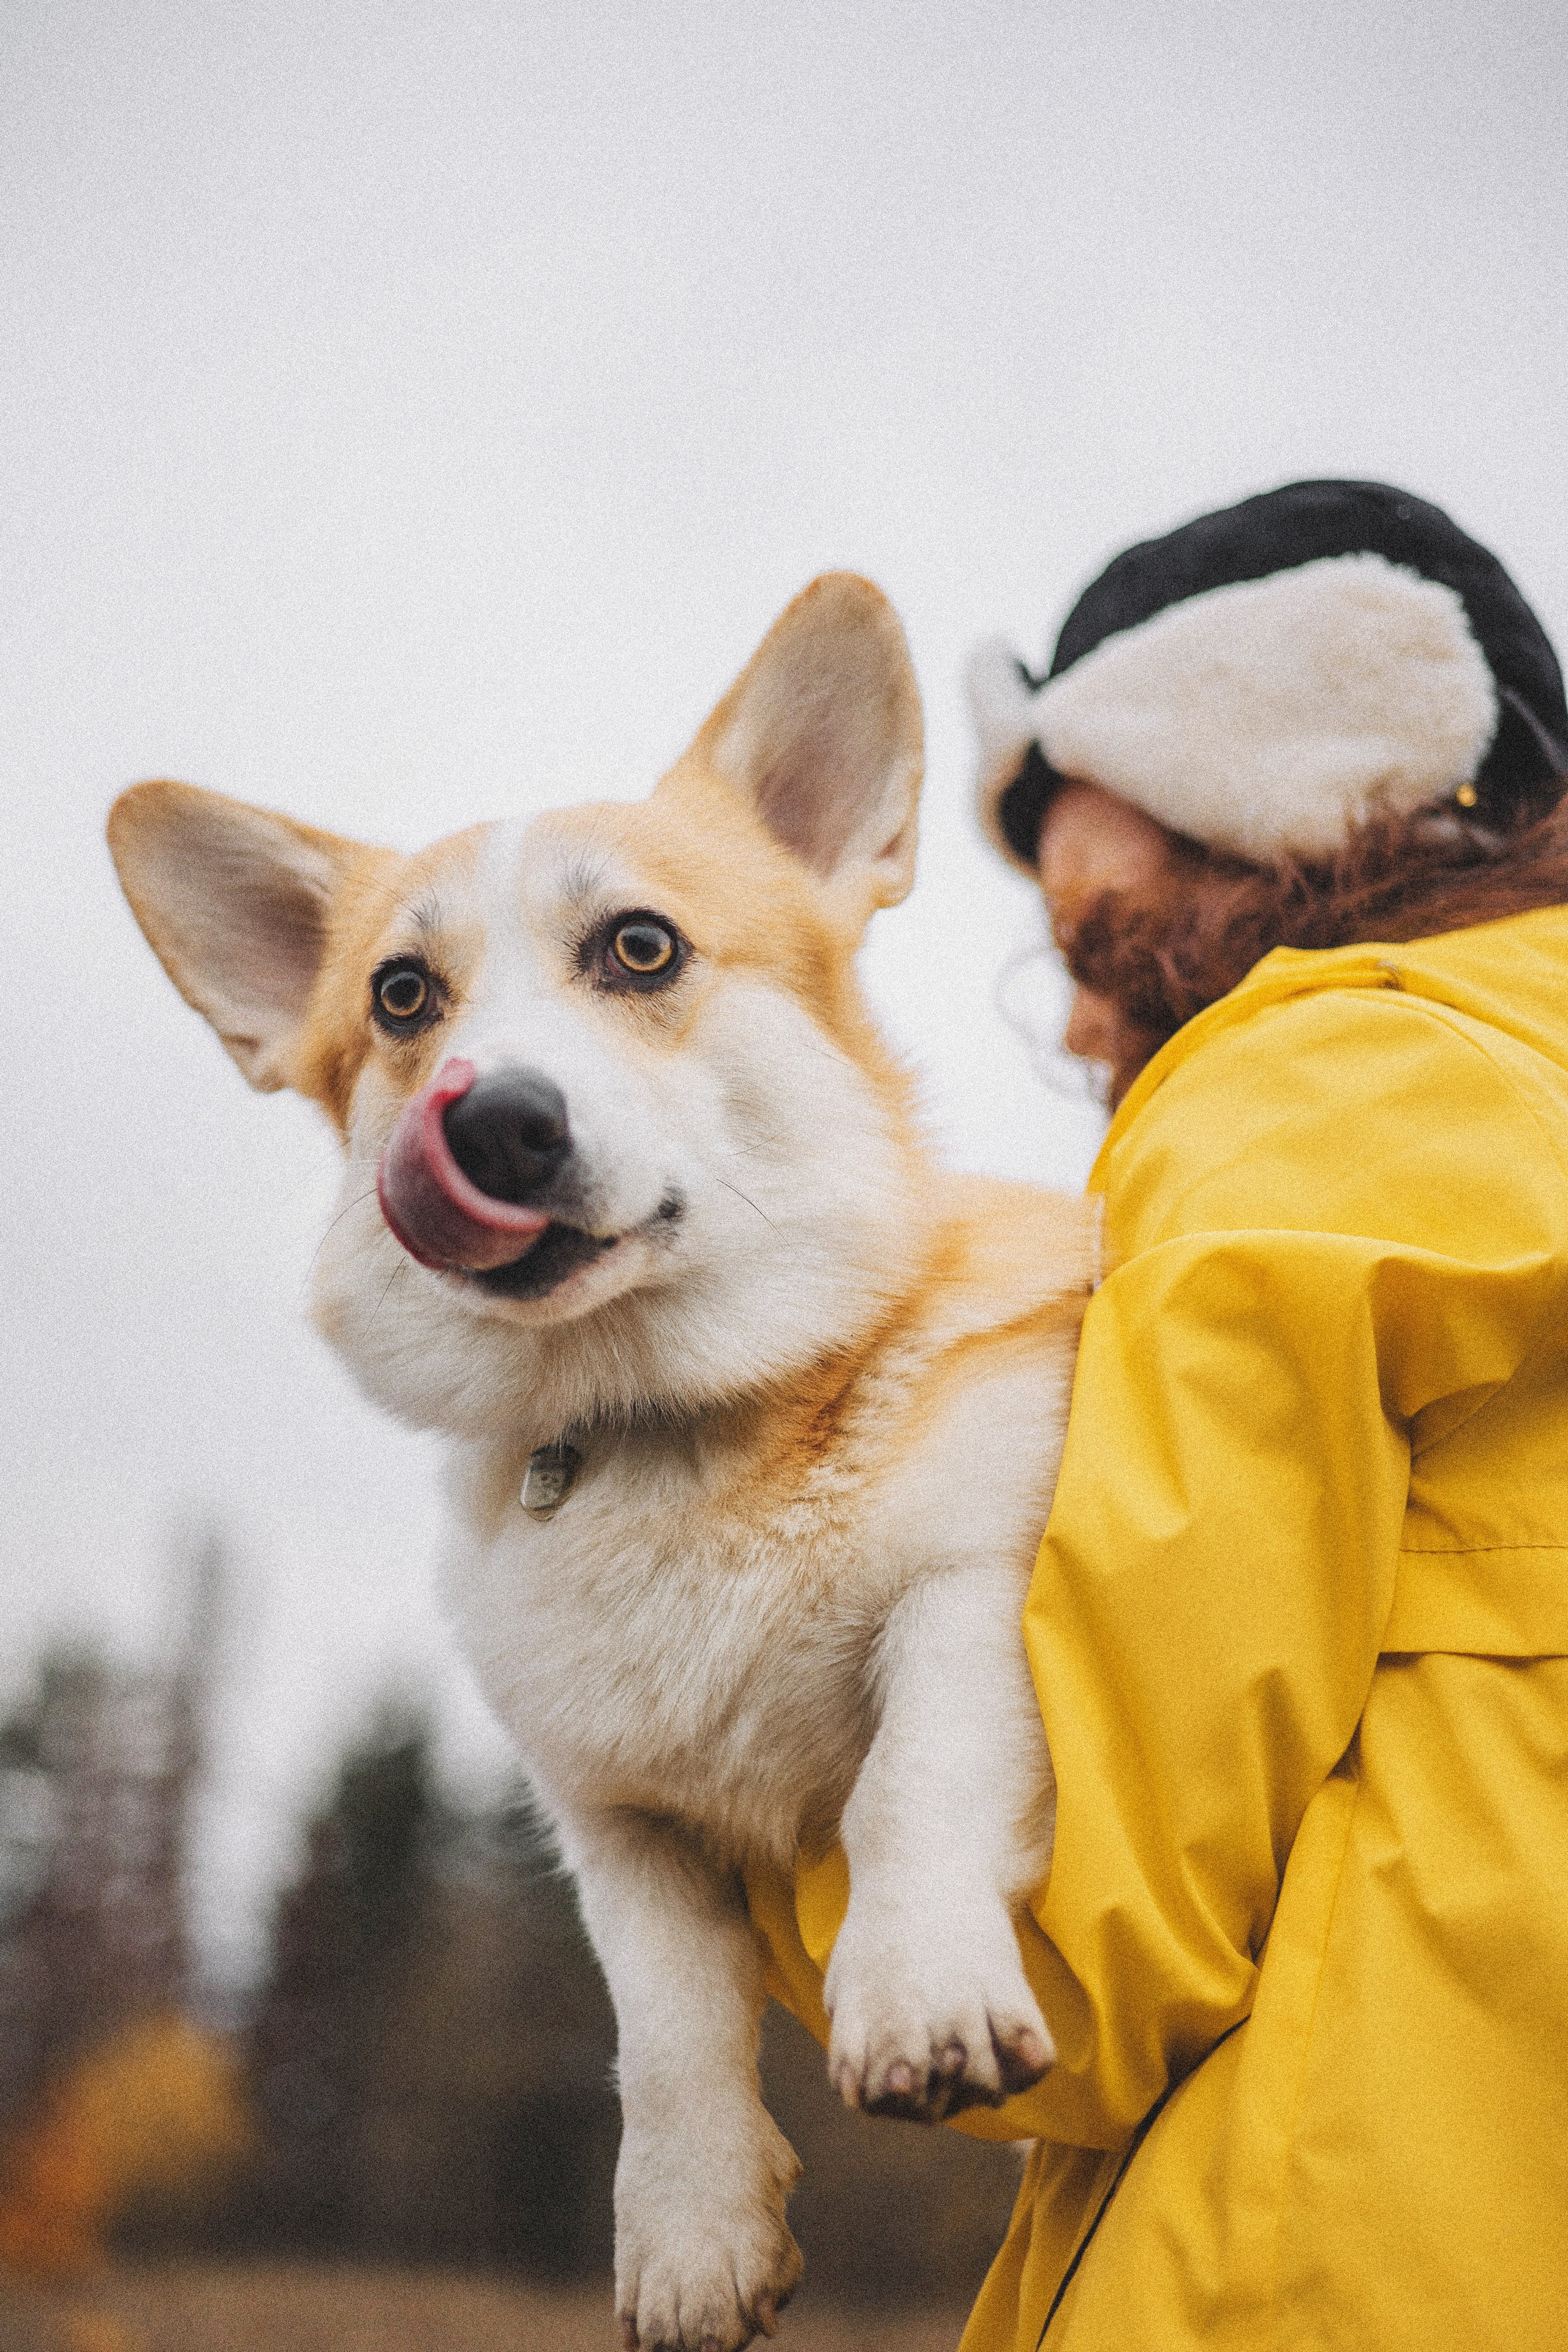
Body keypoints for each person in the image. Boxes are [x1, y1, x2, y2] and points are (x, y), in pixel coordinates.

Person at [745, 480, 1568, 2348]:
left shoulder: (1332, 1077)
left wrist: (691, 1747)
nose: (1095, 1038)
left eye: (1104, 951)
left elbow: (1065, 1953)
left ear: (1275, 770)